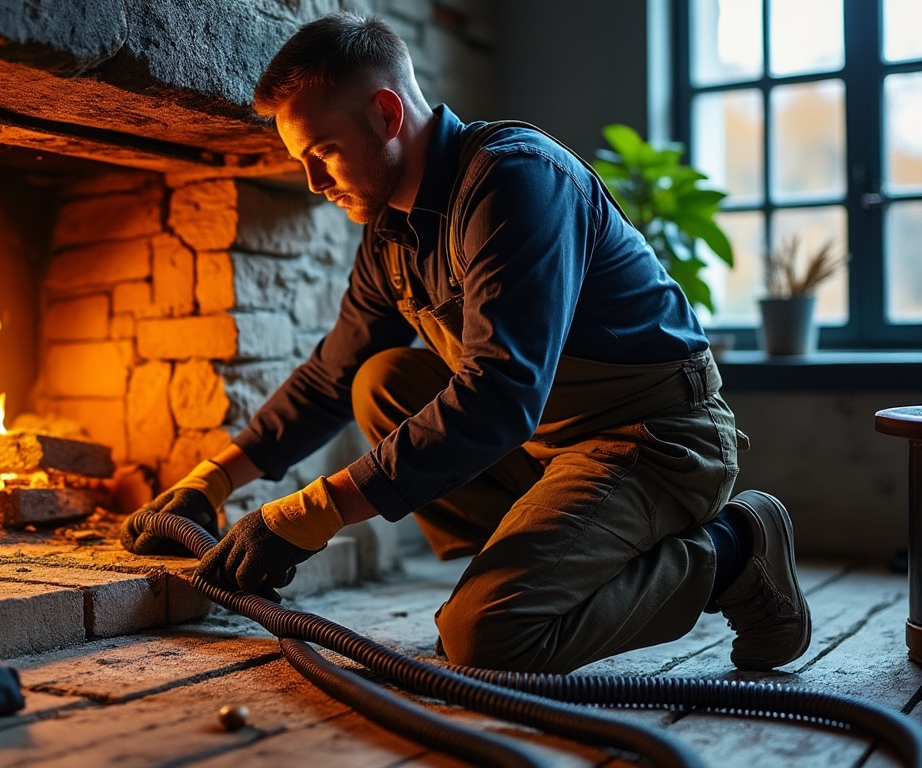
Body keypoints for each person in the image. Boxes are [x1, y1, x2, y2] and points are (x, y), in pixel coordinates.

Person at [121, 11, 810, 674]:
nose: (314, 181)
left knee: (489, 635)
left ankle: (736, 549)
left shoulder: (518, 181)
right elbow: (333, 374)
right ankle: (541, 562)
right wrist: (210, 482)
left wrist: (311, 513)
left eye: (323, 152)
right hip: (544, 450)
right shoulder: (391, 232)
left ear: (386, 114)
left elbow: (499, 396)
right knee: (381, 380)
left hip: (652, 442)